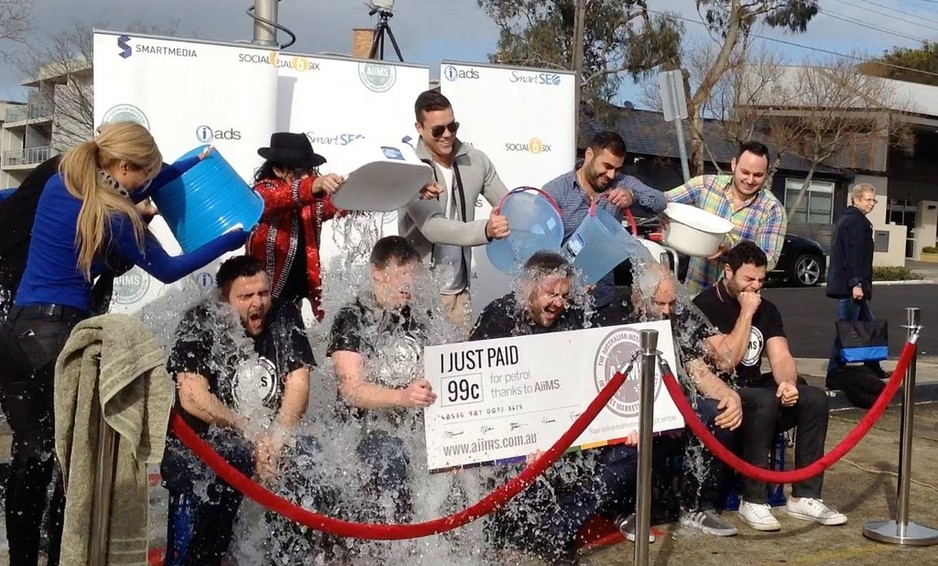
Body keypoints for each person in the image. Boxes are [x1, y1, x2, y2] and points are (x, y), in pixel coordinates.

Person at [0, 121, 245, 566]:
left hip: (15, 335)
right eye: (143, 176)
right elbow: (169, 269)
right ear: (125, 167)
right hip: (56, 339)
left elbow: (135, 182)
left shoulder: (64, 180)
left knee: (29, 458)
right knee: (73, 465)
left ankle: (19, 559)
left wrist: (188, 163)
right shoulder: (116, 215)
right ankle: (62, 557)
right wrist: (231, 237)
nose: (147, 186)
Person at [470, 252, 638, 565]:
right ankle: (527, 528)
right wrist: (520, 442)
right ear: (527, 289)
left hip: (569, 432)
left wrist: (621, 423)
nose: (558, 302)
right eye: (551, 294)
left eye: (564, 294)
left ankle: (557, 529)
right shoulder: (501, 315)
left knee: (632, 453)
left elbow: (598, 377)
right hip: (516, 435)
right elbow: (477, 392)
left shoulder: (576, 317)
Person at [160, 255, 318, 565]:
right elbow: (192, 396)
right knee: (235, 455)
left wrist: (277, 436)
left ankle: (289, 558)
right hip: (201, 447)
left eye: (262, 293)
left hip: (262, 440)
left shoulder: (284, 314)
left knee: (307, 454)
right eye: (246, 297)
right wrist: (250, 431)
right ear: (224, 300)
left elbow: (299, 384)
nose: (257, 303)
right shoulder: (200, 321)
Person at [693, 241, 847, 532]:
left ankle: (805, 495)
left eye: (761, 280)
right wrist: (746, 314)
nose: (755, 287)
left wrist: (787, 383)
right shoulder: (705, 305)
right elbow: (727, 360)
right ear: (728, 271)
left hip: (757, 388)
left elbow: (781, 355)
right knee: (763, 401)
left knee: (813, 397)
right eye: (748, 279)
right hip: (723, 392)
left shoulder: (769, 309)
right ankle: (753, 499)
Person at [627, 263, 741, 537]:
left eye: (671, 303)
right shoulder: (620, 319)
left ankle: (699, 504)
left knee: (717, 413)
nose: (666, 310)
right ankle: (624, 509)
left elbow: (696, 369)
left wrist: (729, 394)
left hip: (673, 404)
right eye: (660, 303)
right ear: (639, 299)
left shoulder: (676, 322)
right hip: (631, 408)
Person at [327, 235, 435, 524]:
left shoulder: (421, 318)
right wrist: (402, 397)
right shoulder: (353, 317)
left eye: (413, 276)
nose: (409, 285)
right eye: (402, 275)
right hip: (361, 432)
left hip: (411, 429)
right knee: (389, 452)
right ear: (377, 272)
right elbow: (352, 390)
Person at [400, 90, 510, 330]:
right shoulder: (409, 165)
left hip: (459, 293)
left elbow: (508, 203)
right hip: (416, 295)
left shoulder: (477, 160)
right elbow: (432, 226)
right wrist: (486, 230)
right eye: (438, 130)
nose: (447, 135)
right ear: (419, 127)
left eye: (453, 126)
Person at [541, 130, 667, 315]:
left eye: (617, 169)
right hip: (560, 303)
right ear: (589, 155)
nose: (611, 175)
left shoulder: (621, 183)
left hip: (602, 299)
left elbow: (660, 200)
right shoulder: (556, 192)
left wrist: (633, 195)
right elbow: (540, 251)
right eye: (607, 166)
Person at [665, 141, 787, 296]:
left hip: (737, 302)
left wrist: (732, 247)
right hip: (695, 293)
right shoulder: (706, 185)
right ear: (734, 165)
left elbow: (769, 260)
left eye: (758, 175)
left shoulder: (773, 209)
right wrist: (633, 194)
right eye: (745, 172)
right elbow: (664, 201)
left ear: (767, 172)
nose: (750, 180)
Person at [247, 132, 347, 321]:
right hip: (260, 302)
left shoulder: (313, 201)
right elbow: (271, 201)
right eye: (302, 171)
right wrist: (314, 184)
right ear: (278, 170)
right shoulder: (261, 192)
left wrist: (397, 190)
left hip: (293, 305)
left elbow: (345, 204)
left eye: (311, 170)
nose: (309, 176)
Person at [826, 183, 886, 379]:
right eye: (868, 199)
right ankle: (834, 372)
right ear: (857, 199)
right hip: (851, 287)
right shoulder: (855, 222)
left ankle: (873, 368)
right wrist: (856, 284)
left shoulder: (848, 219)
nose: (872, 204)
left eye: (873, 200)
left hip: (851, 285)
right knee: (847, 329)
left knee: (868, 326)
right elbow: (852, 256)